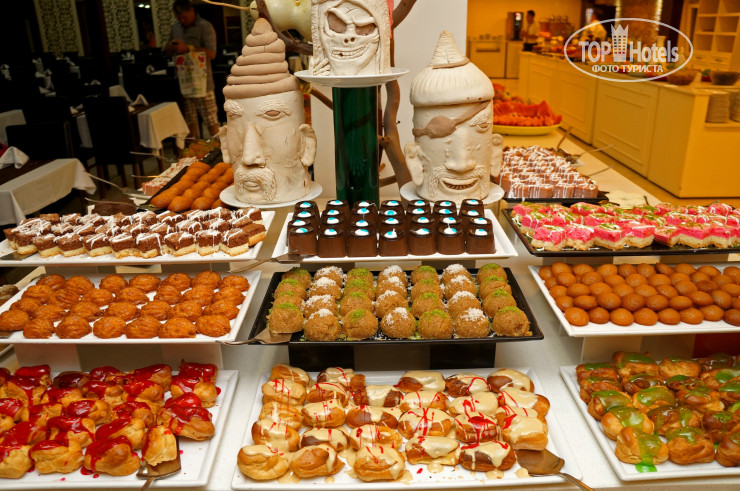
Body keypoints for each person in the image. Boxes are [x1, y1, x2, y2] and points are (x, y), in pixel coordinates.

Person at [164, 0, 219, 139]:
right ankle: (192, 151)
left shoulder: (205, 26)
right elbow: (167, 52)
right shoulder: (175, 27)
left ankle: (219, 150)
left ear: (192, 11)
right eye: (179, 18)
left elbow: (212, 53)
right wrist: (171, 46)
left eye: (184, 17)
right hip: (184, 83)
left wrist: (188, 48)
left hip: (203, 84)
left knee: (211, 122)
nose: (182, 21)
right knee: (189, 124)